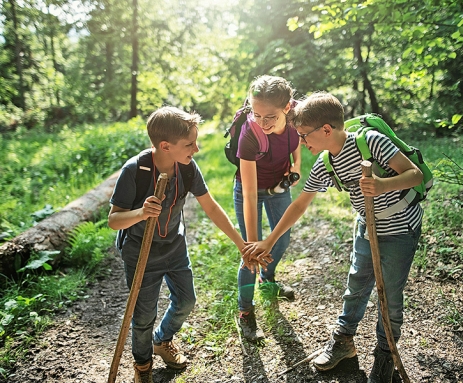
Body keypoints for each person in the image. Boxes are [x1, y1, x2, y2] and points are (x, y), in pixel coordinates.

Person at [243, 92, 424, 382]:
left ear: (326, 130)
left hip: (400, 230)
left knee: (389, 295)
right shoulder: (326, 163)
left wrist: (382, 185)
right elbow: (300, 203)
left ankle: (384, 354)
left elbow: (415, 175)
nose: (301, 143)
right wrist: (269, 240)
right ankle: (344, 341)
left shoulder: (371, 143)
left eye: (304, 136)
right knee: (357, 285)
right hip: (368, 228)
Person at [108, 106, 269, 383]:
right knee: (144, 315)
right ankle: (143, 366)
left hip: (174, 247)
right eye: (190, 143)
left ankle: (162, 340)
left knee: (186, 300)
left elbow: (211, 207)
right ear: (165, 146)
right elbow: (113, 220)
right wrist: (141, 213)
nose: (196, 148)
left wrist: (241, 244)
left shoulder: (188, 167)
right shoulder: (135, 170)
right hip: (141, 253)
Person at [233, 75, 302, 342]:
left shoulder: (298, 116)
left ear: (287, 108)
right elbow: (250, 194)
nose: (262, 123)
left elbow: (297, 142)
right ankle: (245, 313)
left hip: (279, 188)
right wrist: (253, 244)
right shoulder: (249, 134)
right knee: (250, 255)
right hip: (248, 191)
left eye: (270, 116)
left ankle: (268, 280)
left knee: (281, 240)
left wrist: (296, 166)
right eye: (256, 114)